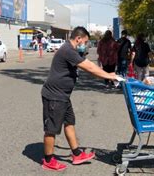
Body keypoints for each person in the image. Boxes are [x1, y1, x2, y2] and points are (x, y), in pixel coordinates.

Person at [40, 26, 122, 171]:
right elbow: (89, 67)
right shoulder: (68, 50)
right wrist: (110, 76)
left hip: (63, 95)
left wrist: (109, 76)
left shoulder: (71, 50)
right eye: (84, 42)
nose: (85, 45)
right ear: (78, 38)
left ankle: (77, 154)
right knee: (51, 129)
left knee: (69, 122)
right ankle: (48, 159)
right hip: (54, 95)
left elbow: (91, 69)